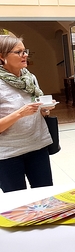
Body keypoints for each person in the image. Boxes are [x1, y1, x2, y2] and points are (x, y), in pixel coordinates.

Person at [0, 35, 55, 192]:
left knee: (45, 195)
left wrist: (44, 110)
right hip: (8, 154)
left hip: (38, 146)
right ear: (2, 56)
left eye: (25, 51)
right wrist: (20, 114)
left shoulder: (30, 78)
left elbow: (36, 109)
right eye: (18, 52)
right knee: (18, 201)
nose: (24, 55)